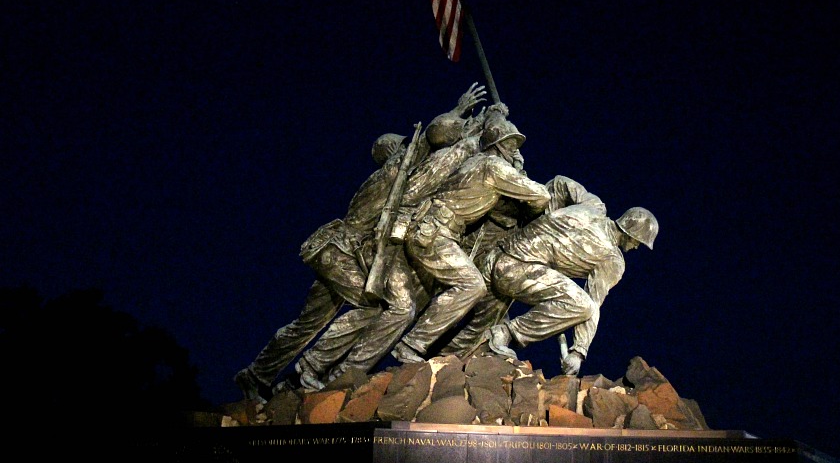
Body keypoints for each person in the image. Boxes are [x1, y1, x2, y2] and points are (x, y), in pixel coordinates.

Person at [233, 84, 487, 402]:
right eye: (404, 146)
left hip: (336, 254)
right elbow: (430, 154)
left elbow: (427, 154)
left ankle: (256, 374)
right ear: (393, 152)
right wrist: (465, 128)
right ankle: (318, 371)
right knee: (387, 306)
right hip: (338, 254)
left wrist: (460, 115)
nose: (411, 149)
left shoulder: (393, 174)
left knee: (306, 324)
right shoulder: (391, 173)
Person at [390, 113, 552, 364]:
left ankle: (433, 349)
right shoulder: (493, 167)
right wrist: (529, 209)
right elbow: (541, 195)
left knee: (454, 292)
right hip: (435, 232)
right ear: (497, 145)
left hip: (437, 230)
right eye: (511, 145)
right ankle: (411, 345)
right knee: (471, 285)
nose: (515, 151)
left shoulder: (476, 163)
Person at [466, 175, 657, 376]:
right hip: (514, 273)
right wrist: (579, 351)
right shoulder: (612, 260)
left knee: (466, 338)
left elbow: (559, 183)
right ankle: (507, 332)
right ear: (631, 234)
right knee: (582, 305)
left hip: (497, 254)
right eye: (638, 242)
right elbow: (593, 304)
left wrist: (541, 221)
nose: (635, 247)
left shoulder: (593, 206)